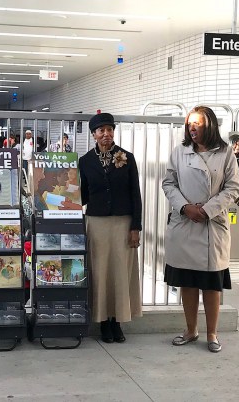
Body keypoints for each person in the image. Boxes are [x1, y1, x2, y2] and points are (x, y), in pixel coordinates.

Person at [162, 106, 239, 354]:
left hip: (211, 226)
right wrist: (186, 207)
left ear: (210, 125)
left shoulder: (226, 153)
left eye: (197, 123)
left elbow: (233, 188)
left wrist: (206, 210)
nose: (192, 128)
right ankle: (190, 330)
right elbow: (168, 183)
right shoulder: (180, 151)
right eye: (189, 123)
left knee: (211, 284)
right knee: (187, 283)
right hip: (185, 223)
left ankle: (212, 333)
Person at [79, 112, 143, 343]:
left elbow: (135, 194)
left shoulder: (127, 157)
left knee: (120, 272)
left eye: (109, 129)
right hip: (96, 223)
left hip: (122, 222)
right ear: (94, 134)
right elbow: (82, 195)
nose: (106, 134)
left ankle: (118, 321)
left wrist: (136, 226)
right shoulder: (85, 161)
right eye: (101, 130)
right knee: (100, 271)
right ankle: (104, 322)